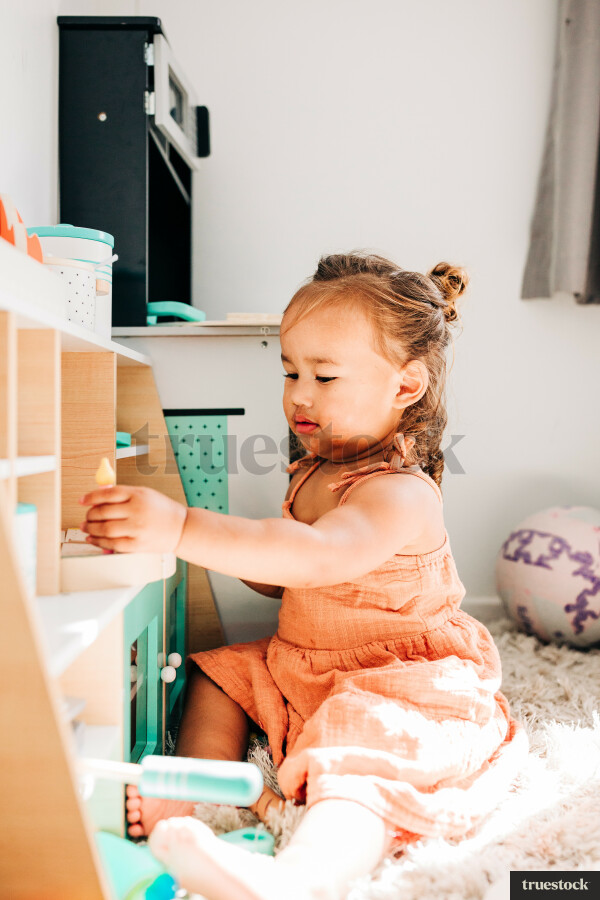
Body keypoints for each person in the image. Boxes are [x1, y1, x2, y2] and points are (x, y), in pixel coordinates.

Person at [81, 252, 528, 900]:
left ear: (405, 388)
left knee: (363, 751)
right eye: (290, 371)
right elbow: (294, 574)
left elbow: (317, 556)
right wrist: (246, 557)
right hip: (311, 660)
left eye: (324, 375)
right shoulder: (313, 470)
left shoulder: (400, 493)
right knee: (219, 674)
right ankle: (193, 793)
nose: (298, 394)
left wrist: (183, 528)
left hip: (395, 674)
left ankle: (299, 877)